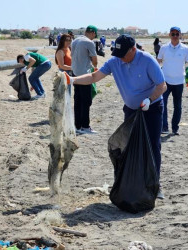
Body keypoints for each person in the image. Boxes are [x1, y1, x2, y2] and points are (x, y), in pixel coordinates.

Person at [65, 34, 167, 199]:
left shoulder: (147, 60)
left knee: (153, 146)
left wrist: (150, 99)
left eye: (123, 55)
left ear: (133, 49)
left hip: (152, 108)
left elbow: (162, 85)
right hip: (131, 110)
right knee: (129, 145)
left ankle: (155, 185)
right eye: (117, 55)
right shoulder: (115, 61)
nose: (120, 59)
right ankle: (134, 181)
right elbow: (93, 77)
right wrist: (72, 80)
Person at [157, 27, 188, 135]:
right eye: (173, 34)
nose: (175, 36)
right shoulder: (163, 48)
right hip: (165, 81)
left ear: (180, 35)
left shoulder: (185, 49)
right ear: (169, 35)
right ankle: (164, 127)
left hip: (179, 82)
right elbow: (157, 62)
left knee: (177, 106)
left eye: (177, 34)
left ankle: (175, 128)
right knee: (162, 104)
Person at [71, 25, 98, 134]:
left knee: (77, 100)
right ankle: (85, 126)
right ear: (93, 33)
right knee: (86, 101)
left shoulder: (75, 40)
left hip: (75, 74)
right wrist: (95, 66)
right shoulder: (89, 42)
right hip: (84, 76)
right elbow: (94, 60)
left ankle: (77, 126)